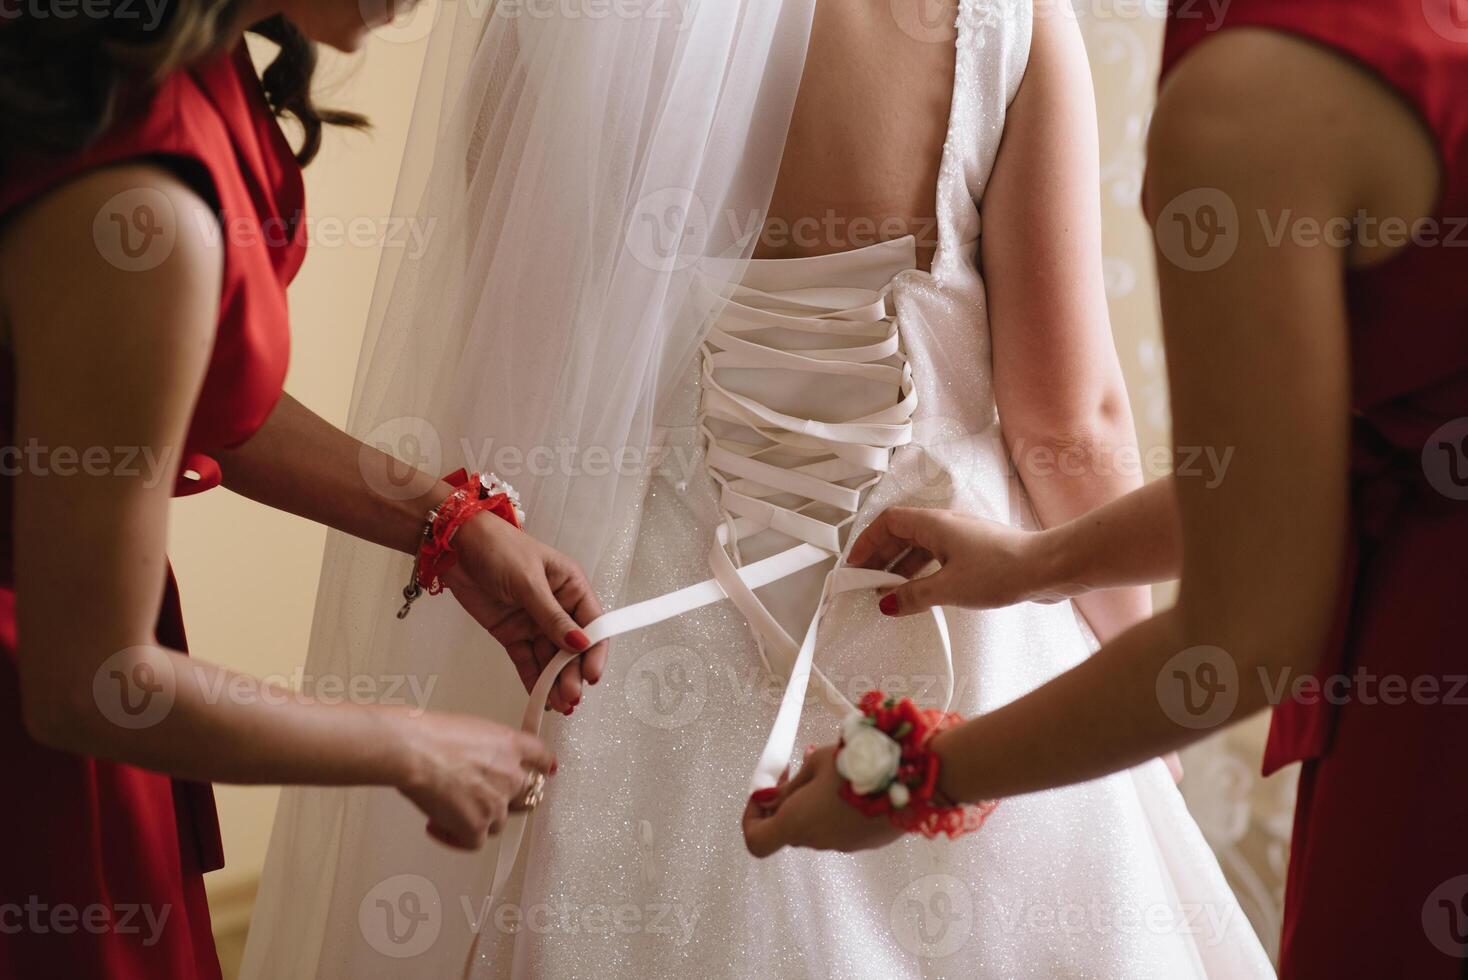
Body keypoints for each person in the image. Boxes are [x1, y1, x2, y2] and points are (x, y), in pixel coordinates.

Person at [247, 1, 1272, 976]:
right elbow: (1067, 418)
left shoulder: (548, 22)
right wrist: (1129, 677)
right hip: (951, 629)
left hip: (629, 640)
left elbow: (529, 361)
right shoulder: (995, 17)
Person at [745, 1, 1468, 977]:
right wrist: (1048, 565)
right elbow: (1337, 447)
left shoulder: (1251, 95)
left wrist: (905, 774)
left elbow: (1245, 635)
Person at [0, 3, 608, 976]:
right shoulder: (143, 196)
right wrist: (408, 746)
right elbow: (91, 680)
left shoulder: (174, 68)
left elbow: (186, 393)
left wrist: (446, 523)